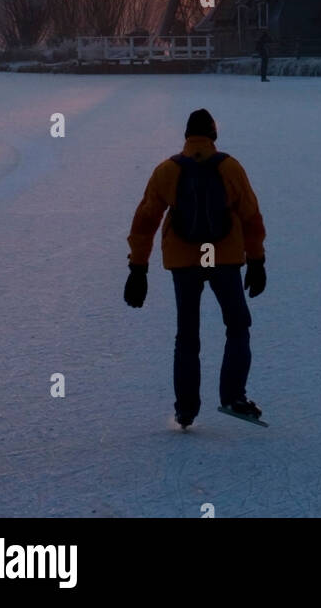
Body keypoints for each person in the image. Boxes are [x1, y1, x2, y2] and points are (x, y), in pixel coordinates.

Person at [123, 108, 267, 428]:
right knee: (237, 324)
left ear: (186, 136)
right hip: (223, 258)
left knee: (187, 334)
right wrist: (257, 260)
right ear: (213, 135)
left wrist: (138, 268)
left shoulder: (167, 170)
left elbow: (145, 220)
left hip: (185, 260)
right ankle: (233, 396)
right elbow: (251, 217)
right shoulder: (230, 167)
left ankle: (186, 410)